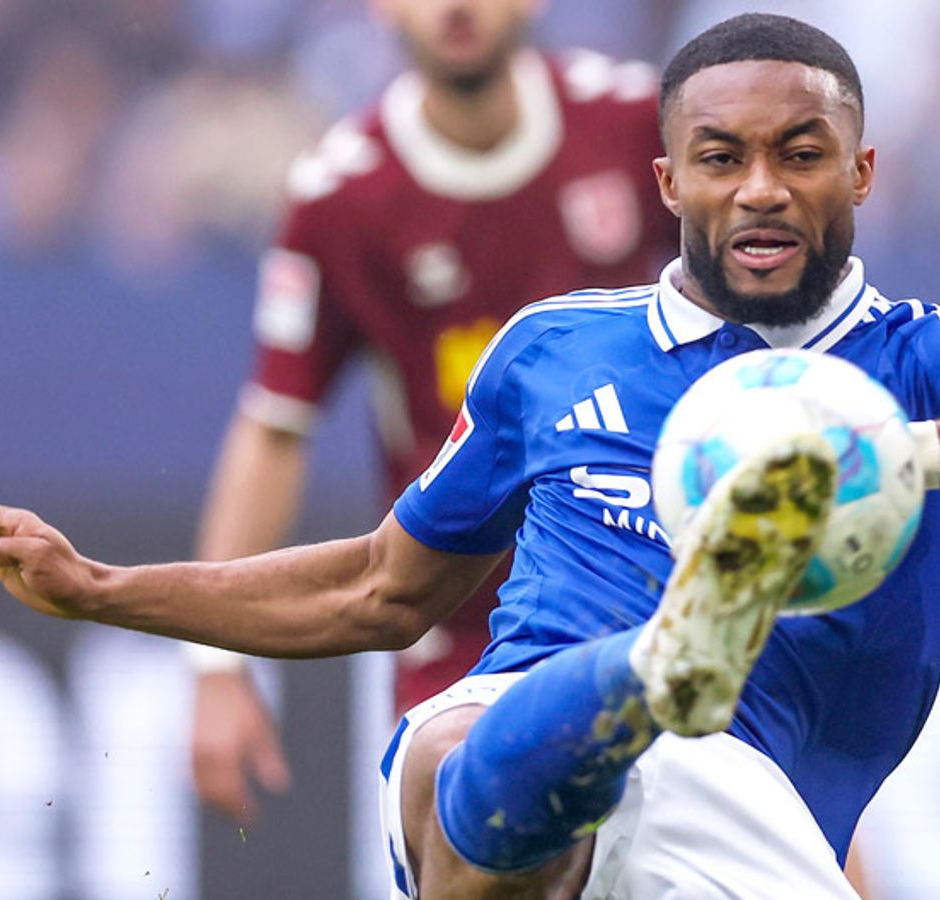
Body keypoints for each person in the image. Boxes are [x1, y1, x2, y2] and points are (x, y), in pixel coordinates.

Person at [0, 14, 940, 899]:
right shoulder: (556, 349)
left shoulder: (929, 362)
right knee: (456, 769)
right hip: (521, 749)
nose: (760, 186)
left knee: (649, 784)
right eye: (721, 158)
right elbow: (380, 589)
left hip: (744, 818)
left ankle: (654, 686)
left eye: (800, 154)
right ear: (669, 184)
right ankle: (649, 669)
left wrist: (889, 455)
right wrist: (106, 589)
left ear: (862, 173)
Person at [187, 0, 674, 826]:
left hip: (659, 589)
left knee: (805, 853)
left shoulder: (636, 122)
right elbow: (275, 425)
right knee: (471, 847)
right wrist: (216, 669)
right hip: (465, 630)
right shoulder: (341, 196)